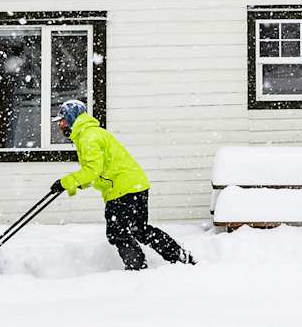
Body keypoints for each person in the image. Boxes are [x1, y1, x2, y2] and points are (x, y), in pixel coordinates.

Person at [51, 100, 195, 270]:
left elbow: (92, 170)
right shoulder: (93, 133)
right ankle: (179, 255)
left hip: (121, 190)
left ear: (71, 118)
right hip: (136, 185)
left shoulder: (88, 137)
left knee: (117, 233)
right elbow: (96, 173)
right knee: (140, 230)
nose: (60, 125)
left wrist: (66, 182)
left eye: (62, 120)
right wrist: (71, 185)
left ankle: (137, 268)